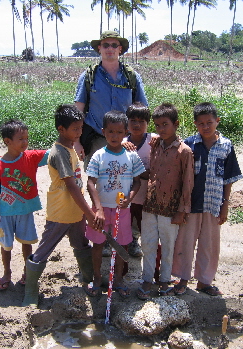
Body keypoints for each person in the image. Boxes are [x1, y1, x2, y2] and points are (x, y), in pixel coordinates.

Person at [22, 104, 104, 307]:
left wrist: (84, 212)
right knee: (44, 250)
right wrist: (90, 213)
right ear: (61, 129)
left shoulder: (70, 147)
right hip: (60, 211)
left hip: (75, 212)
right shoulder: (59, 152)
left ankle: (87, 279)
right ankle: (30, 291)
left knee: (81, 245)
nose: (80, 132)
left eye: (81, 128)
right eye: (75, 129)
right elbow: (71, 186)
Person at [172, 102, 243, 296]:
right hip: (191, 204)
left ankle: (204, 281)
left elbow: (228, 179)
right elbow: (180, 175)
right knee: (185, 242)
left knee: (208, 244)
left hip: (213, 204)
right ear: (195, 124)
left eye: (209, 122)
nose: (205, 127)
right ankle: (182, 278)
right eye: (201, 123)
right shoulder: (189, 145)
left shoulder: (226, 146)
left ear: (217, 121)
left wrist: (225, 205)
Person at [137, 103, 194, 300]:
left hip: (170, 208)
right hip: (151, 204)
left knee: (168, 247)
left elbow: (187, 183)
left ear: (176, 124)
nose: (161, 129)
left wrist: (182, 210)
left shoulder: (184, 151)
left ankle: (164, 281)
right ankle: (147, 280)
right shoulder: (155, 145)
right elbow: (151, 172)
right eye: (158, 125)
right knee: (148, 244)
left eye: (165, 125)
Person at [85, 110, 145, 297]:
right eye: (111, 132)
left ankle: (118, 279)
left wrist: (130, 198)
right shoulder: (99, 156)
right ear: (103, 132)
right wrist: (99, 209)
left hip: (122, 210)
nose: (114, 136)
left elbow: (138, 181)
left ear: (125, 132)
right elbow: (90, 182)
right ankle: (96, 277)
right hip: (101, 210)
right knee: (97, 244)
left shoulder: (131, 156)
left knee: (121, 246)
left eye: (119, 132)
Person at [74, 30, 148, 167]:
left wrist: (145, 139)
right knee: (97, 184)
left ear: (120, 49)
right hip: (96, 140)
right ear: (99, 48)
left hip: (126, 141)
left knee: (126, 183)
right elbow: (78, 111)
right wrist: (76, 143)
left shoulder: (132, 77)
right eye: (106, 45)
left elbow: (143, 111)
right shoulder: (88, 77)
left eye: (114, 45)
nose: (110, 49)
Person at [0, 119, 49, 291]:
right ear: (7, 142)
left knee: (26, 243)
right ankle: (7, 273)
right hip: (5, 214)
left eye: (26, 138)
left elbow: (53, 153)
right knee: (6, 245)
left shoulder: (30, 157)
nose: (25, 142)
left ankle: (27, 271)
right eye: (21, 139)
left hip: (25, 211)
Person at [123, 102, 155, 257]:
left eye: (141, 121)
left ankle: (140, 244)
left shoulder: (154, 140)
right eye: (133, 121)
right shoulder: (121, 142)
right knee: (126, 220)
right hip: (128, 194)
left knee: (144, 223)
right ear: (126, 122)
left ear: (148, 124)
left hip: (147, 195)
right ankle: (128, 243)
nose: (137, 125)